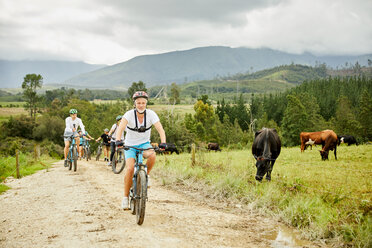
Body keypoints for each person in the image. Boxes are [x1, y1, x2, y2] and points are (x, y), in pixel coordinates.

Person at [115, 91, 166, 210]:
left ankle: (145, 176)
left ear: (146, 103)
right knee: (130, 168)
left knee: (152, 155)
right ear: (134, 103)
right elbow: (120, 128)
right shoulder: (128, 115)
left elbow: (160, 129)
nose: (141, 105)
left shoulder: (151, 114)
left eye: (143, 103)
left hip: (144, 144)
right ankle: (125, 198)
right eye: (138, 103)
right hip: (130, 145)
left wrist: (163, 142)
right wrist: (118, 140)